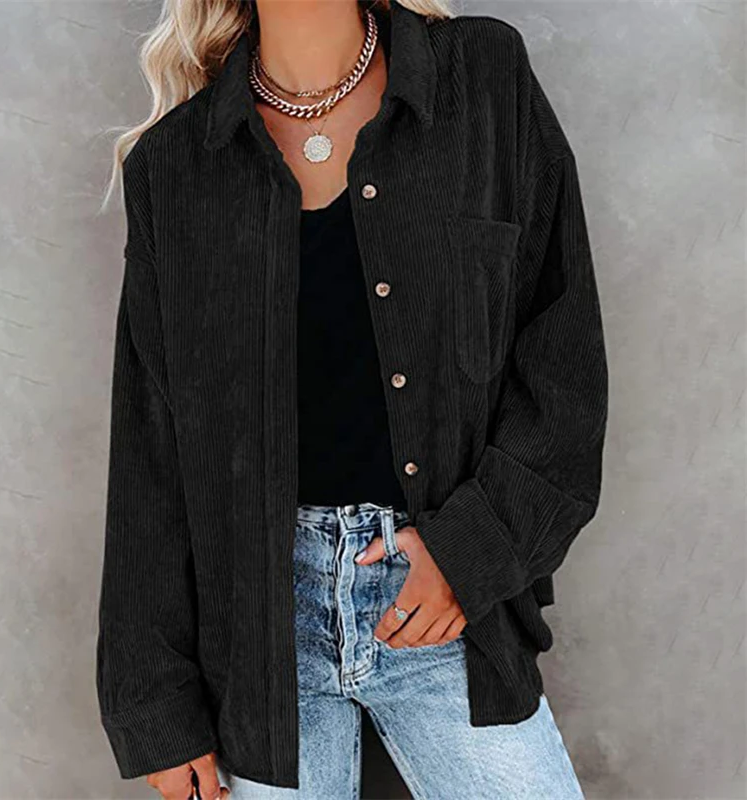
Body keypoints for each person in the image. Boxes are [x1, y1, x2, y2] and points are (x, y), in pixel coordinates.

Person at [95, 0, 608, 798]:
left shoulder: (482, 79)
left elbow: (562, 360)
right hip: (257, 644)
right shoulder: (174, 168)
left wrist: (469, 551)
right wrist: (156, 708)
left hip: (442, 608)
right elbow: (151, 456)